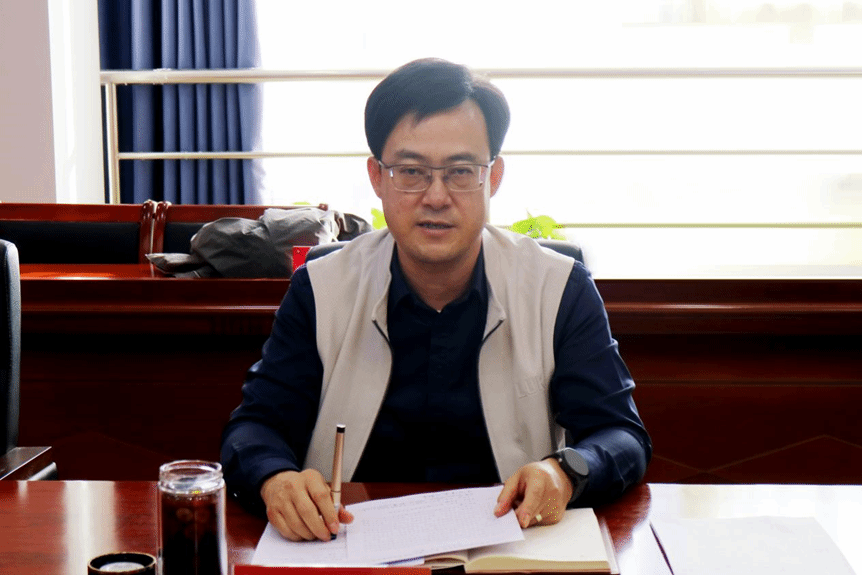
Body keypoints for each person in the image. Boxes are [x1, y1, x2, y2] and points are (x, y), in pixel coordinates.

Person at [220, 58, 651, 542]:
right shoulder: (322, 289)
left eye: (461, 171)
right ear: (377, 177)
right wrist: (275, 478)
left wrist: (564, 472)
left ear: (494, 176)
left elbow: (621, 436)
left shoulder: (558, 287)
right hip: (350, 548)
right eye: (411, 171)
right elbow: (254, 429)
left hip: (509, 546)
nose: (437, 196)